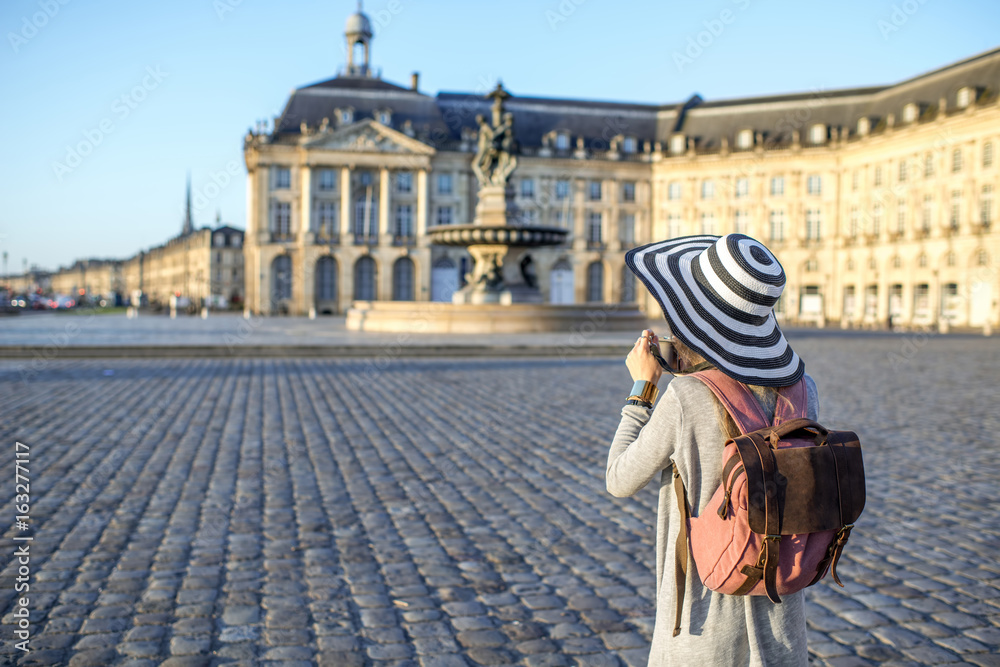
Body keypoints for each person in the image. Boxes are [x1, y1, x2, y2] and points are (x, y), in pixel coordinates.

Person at [606, 233, 819, 666]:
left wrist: (642, 388)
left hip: (706, 614)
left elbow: (620, 479)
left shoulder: (687, 397)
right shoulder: (804, 389)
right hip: (782, 609)